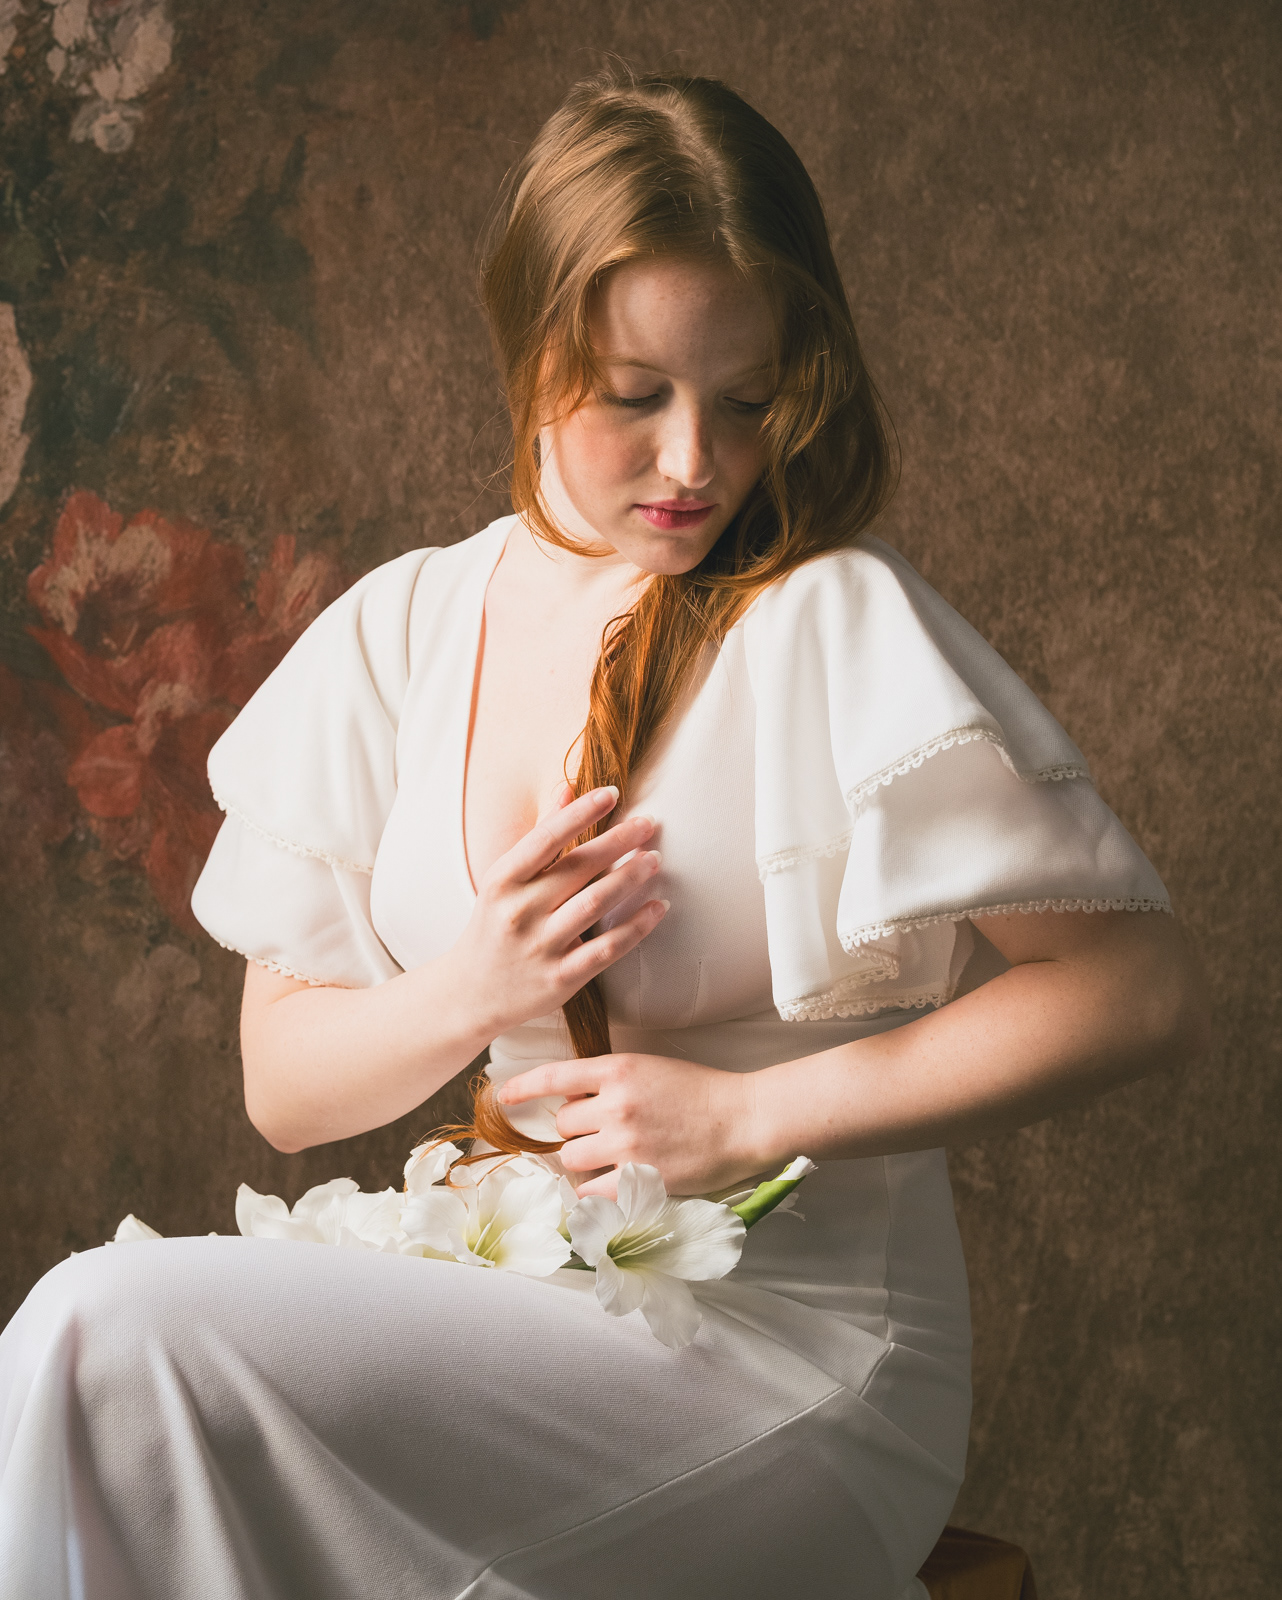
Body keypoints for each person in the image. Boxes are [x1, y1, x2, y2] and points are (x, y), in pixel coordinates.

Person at [0, 67, 1207, 1600]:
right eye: (636, 395)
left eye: (744, 399)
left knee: (105, 1333)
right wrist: (472, 988)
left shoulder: (827, 618)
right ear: (531, 354)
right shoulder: (401, 630)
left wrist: (747, 1118)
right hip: (512, 1309)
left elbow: (1134, 992)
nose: (694, 460)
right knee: (103, 1363)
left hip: (797, 1358)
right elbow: (287, 1092)